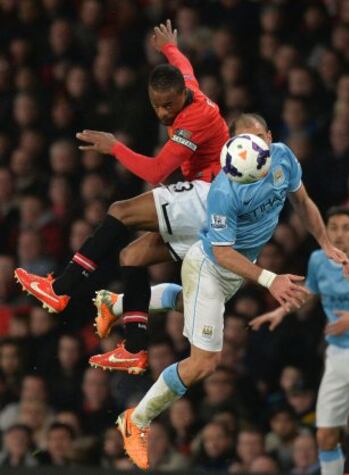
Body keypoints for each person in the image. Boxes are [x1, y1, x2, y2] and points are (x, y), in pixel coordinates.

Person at [114, 117, 349, 469]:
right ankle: (137, 420)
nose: (249, 147)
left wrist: (326, 242)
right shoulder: (225, 188)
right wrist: (271, 280)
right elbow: (222, 252)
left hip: (238, 269)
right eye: (242, 141)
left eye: (256, 139)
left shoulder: (283, 158)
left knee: (186, 304)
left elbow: (302, 202)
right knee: (205, 363)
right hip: (210, 267)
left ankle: (113, 303)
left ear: (269, 138)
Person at [14, 19, 229, 375]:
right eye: (157, 105)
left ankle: (62, 287)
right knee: (132, 255)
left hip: (212, 197)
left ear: (183, 98)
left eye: (169, 106)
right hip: (206, 208)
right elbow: (184, 67)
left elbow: (158, 171)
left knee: (121, 210)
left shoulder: (197, 116)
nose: (164, 113)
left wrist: (115, 147)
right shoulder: (185, 86)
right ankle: (134, 347)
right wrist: (169, 47)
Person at [251, 207, 349, 475]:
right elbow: (308, 292)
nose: (339, 234)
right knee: (325, 436)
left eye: (346, 228)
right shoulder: (318, 260)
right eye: (333, 227)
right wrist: (280, 310)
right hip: (336, 355)